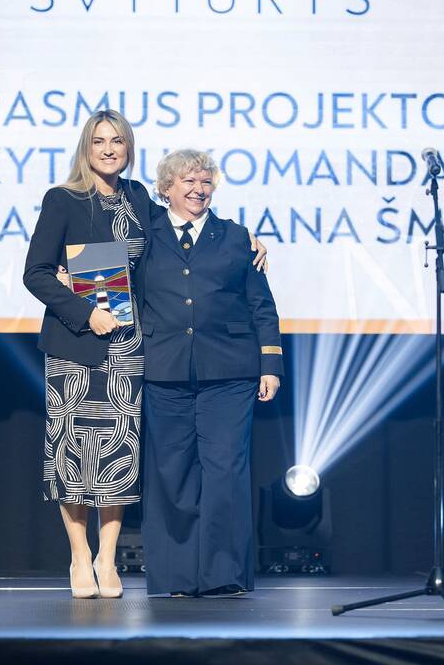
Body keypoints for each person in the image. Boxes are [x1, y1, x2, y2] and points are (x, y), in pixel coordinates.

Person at [25, 114, 268, 600]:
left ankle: (107, 558)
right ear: (85, 147)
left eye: (118, 141)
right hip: (78, 345)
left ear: (129, 148)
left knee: (118, 456)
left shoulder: (137, 197)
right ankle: (79, 556)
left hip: (128, 347)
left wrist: (245, 240)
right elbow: (37, 273)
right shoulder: (63, 199)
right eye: (99, 141)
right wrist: (84, 312)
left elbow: (186, 221)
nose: (108, 149)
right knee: (74, 455)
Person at [140, 149, 283, 597]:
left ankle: (224, 574)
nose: (198, 189)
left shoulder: (237, 237)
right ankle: (177, 576)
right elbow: (110, 280)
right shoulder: (143, 235)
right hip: (164, 370)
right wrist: (70, 275)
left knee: (225, 473)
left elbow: (262, 306)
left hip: (230, 372)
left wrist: (270, 365)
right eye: (188, 181)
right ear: (166, 189)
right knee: (173, 475)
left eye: (205, 182)